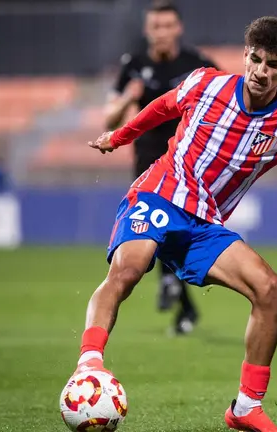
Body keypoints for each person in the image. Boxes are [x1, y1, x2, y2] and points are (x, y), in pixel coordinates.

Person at [74, 16, 277, 432]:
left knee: (269, 288)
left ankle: (245, 407)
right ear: (246, 55)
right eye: (256, 59)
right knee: (130, 270)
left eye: (273, 64)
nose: (262, 71)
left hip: (204, 222)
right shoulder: (207, 84)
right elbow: (164, 107)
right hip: (160, 194)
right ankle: (89, 367)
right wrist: (120, 137)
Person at [104, 0, 218, 335]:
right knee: (154, 230)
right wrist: (128, 98)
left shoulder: (198, 66)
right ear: (147, 30)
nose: (162, 33)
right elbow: (109, 118)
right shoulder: (134, 65)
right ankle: (178, 296)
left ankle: (174, 287)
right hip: (146, 162)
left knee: (170, 232)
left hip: (189, 162)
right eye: (156, 27)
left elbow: (224, 103)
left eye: (168, 26)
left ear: (178, 28)